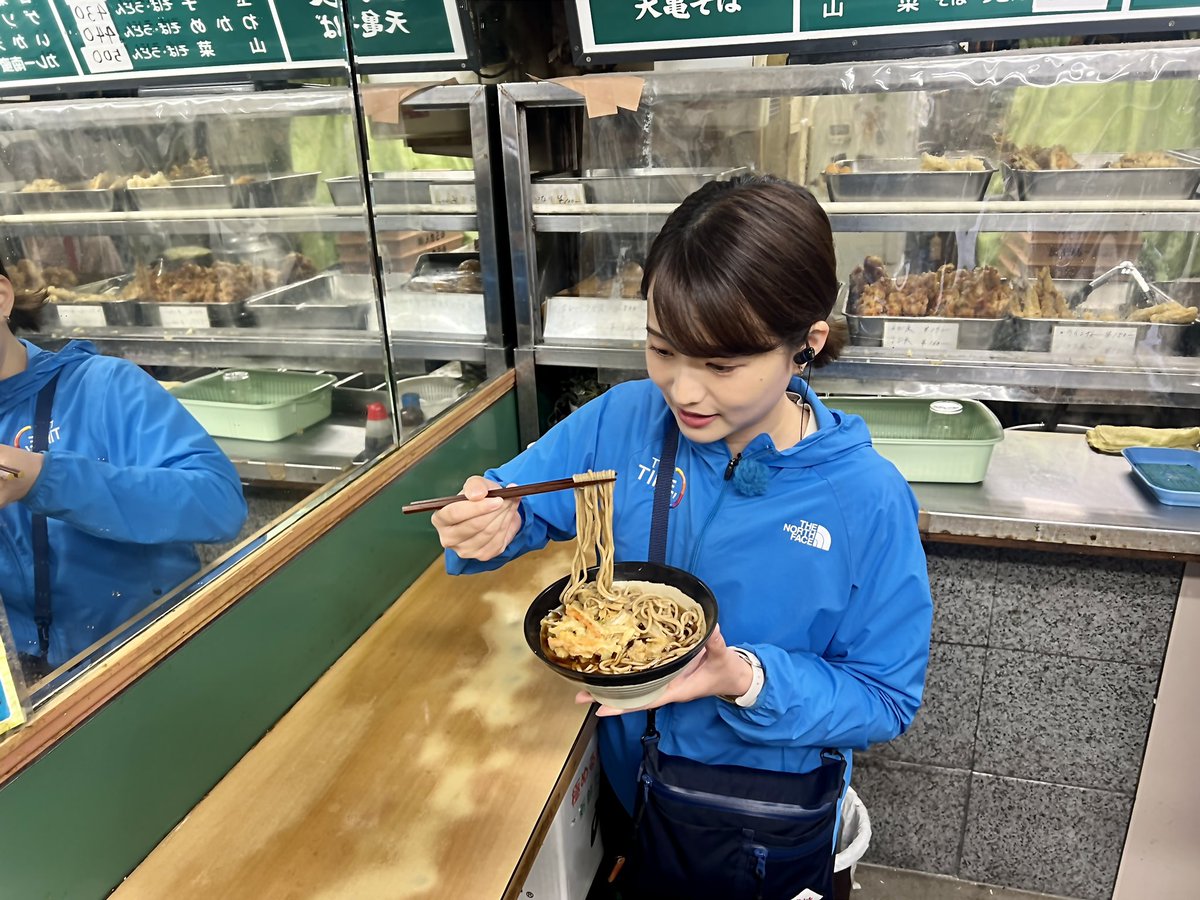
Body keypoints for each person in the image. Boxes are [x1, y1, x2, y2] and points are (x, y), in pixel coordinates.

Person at [432, 175, 932, 899]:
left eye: (722, 365)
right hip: (628, 795)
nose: (684, 391)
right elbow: (522, 503)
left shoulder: (866, 501)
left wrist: (745, 678)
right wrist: (484, 522)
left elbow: (885, 698)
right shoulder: (624, 420)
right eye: (663, 349)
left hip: (757, 821)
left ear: (806, 344)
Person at [0, 263, 247, 677]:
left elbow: (219, 503)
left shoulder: (103, 387)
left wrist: (45, 478)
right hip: (40, 683)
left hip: (159, 656)